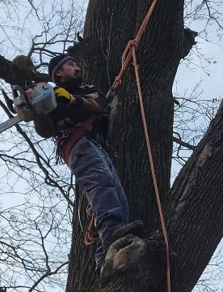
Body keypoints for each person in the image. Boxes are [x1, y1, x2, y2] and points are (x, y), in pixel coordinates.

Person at [33, 54, 143, 271]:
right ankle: (111, 232)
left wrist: (72, 99)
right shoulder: (52, 99)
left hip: (96, 146)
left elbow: (97, 103)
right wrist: (36, 109)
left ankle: (106, 261)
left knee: (119, 197)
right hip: (79, 145)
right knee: (101, 184)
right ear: (58, 73)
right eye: (71, 65)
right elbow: (45, 130)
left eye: (77, 64)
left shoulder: (86, 91)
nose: (77, 68)